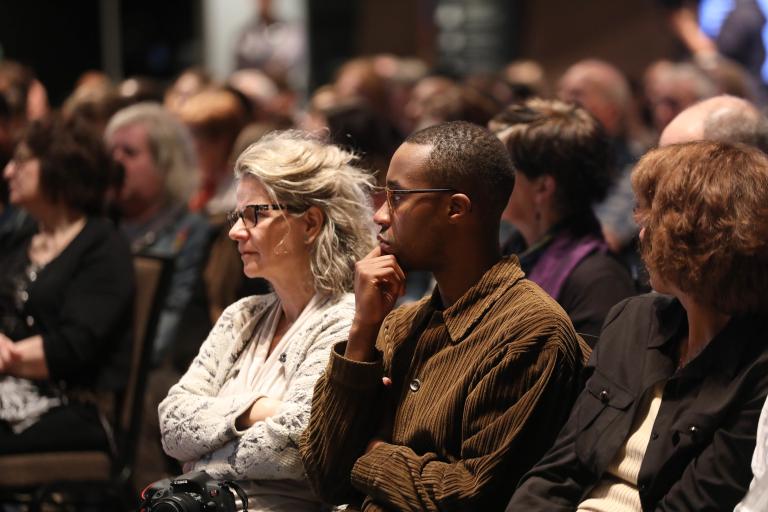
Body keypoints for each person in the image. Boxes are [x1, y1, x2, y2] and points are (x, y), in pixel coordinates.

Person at [300, 121, 589, 510]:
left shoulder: (531, 332)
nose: (381, 216)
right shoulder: (398, 321)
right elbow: (325, 475)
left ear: (456, 208)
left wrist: (371, 453)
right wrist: (362, 329)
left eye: (398, 196)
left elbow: (469, 497)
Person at [507, 140, 768, 511]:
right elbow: (559, 470)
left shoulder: (758, 369)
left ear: (701, 241)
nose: (641, 235)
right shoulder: (634, 319)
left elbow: (694, 504)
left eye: (654, 222)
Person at [158, 130, 376, 511]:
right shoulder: (243, 314)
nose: (235, 231)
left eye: (254, 214)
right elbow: (171, 424)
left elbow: (294, 447)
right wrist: (258, 409)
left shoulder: (347, 320)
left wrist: (204, 454)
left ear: (310, 224)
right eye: (237, 215)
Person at [0, 119, 134, 454]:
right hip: (13, 390)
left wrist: (6, 357)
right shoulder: (20, 240)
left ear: (56, 167)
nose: (7, 172)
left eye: (20, 161)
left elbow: (74, 348)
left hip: (72, 404)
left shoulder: (103, 246)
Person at [493, 99, 635, 343]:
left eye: (501, 167)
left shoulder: (599, 282)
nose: (489, 177)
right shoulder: (513, 251)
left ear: (542, 188)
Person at [105, 102, 211, 362]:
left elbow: (170, 320)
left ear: (165, 165)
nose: (116, 162)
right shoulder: (100, 224)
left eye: (129, 152)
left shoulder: (192, 230)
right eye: (111, 152)